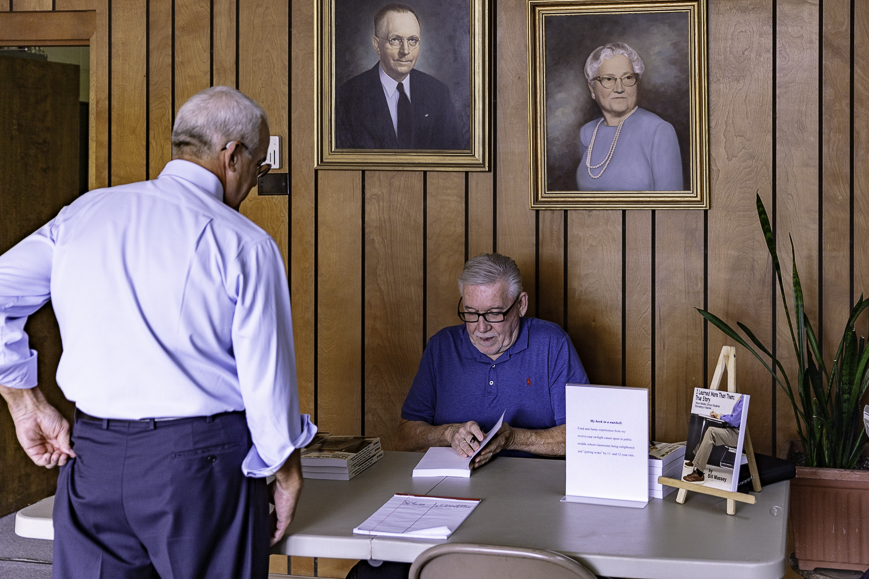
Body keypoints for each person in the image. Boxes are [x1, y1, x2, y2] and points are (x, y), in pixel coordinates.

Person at [0, 86, 317, 579]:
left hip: (93, 460)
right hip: (200, 467)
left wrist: (25, 401)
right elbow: (267, 376)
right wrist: (287, 469)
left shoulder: (84, 213)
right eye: (260, 166)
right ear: (231, 155)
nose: (257, 180)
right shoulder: (246, 243)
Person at [395, 253, 589, 466]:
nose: (481, 328)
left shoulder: (552, 343)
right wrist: (448, 434)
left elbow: (584, 436)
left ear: (521, 304)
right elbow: (403, 440)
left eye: (494, 313)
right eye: (471, 312)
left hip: (532, 484)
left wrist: (512, 438)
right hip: (453, 485)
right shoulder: (441, 346)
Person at [335, 3, 465, 150]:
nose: (405, 51)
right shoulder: (347, 98)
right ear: (377, 45)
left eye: (412, 40)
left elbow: (454, 160)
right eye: (395, 40)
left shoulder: (438, 93)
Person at [575, 42, 683, 192]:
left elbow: (672, 206)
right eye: (608, 79)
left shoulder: (659, 131)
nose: (619, 88)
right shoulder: (587, 133)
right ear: (592, 87)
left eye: (627, 78)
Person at [683, 395, 744, 482]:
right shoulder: (742, 397)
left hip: (738, 435)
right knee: (710, 427)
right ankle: (696, 459)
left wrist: (721, 417)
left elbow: (734, 421)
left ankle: (699, 473)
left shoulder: (744, 398)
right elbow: (735, 417)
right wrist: (720, 415)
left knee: (711, 432)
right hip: (734, 431)